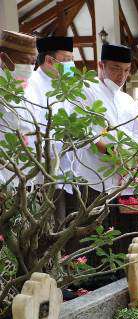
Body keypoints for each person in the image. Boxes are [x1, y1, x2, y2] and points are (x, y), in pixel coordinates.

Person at [73, 43, 138, 258]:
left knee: (125, 242)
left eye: (126, 70)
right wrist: (119, 156)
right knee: (94, 243)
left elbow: (137, 138)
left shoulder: (128, 100)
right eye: (115, 68)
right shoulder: (86, 91)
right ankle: (93, 289)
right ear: (100, 65)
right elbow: (85, 134)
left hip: (124, 184)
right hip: (93, 180)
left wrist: (137, 168)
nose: (121, 75)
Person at [28, 36, 75, 225]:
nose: (71, 65)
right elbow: (33, 128)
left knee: (64, 227)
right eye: (67, 60)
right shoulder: (31, 85)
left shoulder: (63, 84)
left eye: (72, 59)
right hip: (42, 173)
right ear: (49, 60)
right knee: (45, 230)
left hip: (66, 170)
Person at [0, 30, 37, 186]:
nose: (28, 67)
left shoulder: (30, 86)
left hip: (28, 177)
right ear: (3, 57)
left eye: (33, 62)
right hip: (5, 178)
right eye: (23, 61)